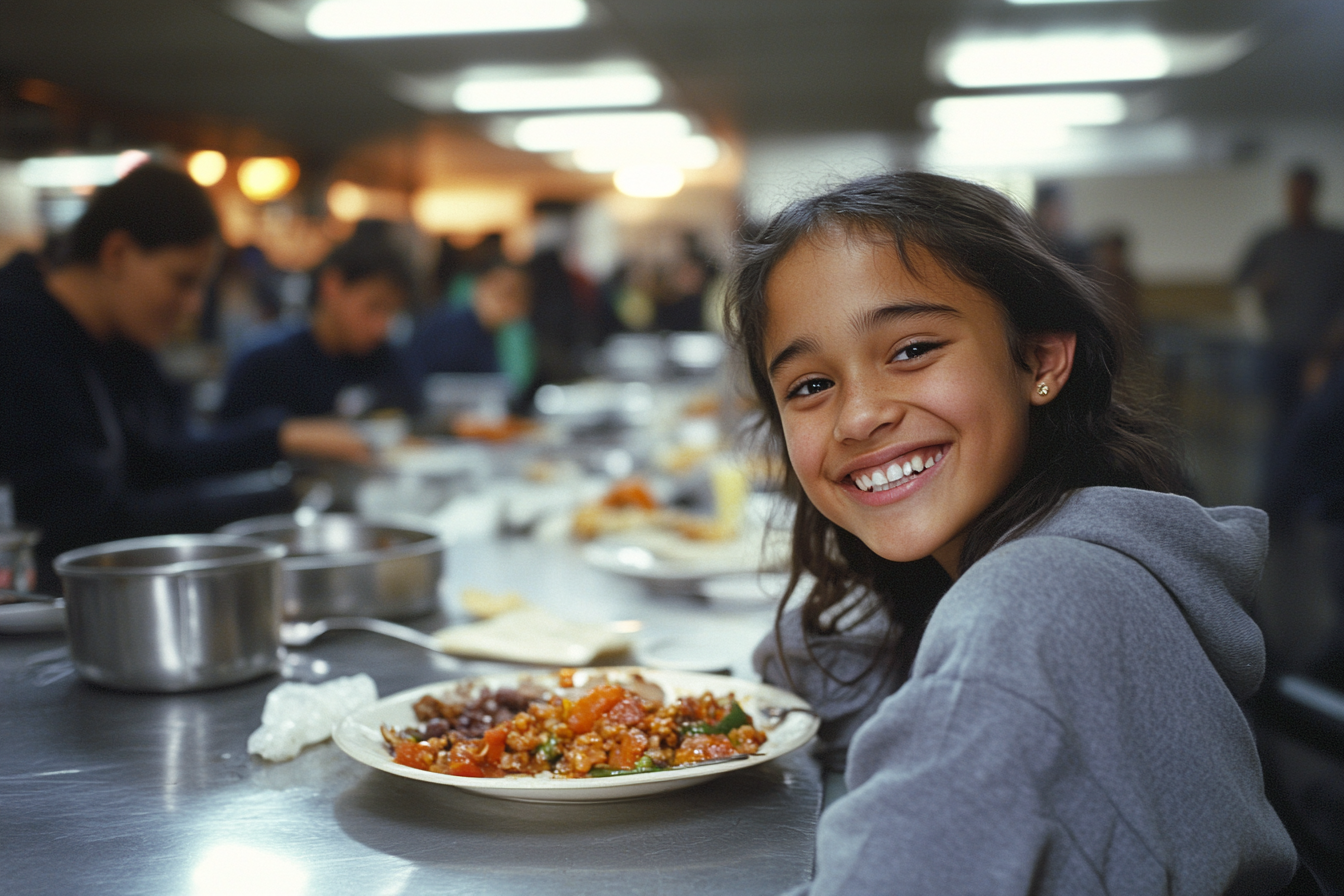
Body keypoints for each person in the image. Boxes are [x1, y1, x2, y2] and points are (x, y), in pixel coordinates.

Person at [725, 172, 1298, 893]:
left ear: (1039, 360)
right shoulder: (1068, 550)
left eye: (911, 350)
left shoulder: (1033, 606)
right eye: (810, 386)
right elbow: (831, 684)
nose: (858, 416)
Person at [0, 163, 371, 590]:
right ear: (117, 253)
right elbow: (85, 525)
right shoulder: (18, 336)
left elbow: (163, 458)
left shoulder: (119, 341)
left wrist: (284, 441)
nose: (194, 304)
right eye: (182, 280)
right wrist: (282, 499)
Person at [217, 233, 421, 421]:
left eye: (392, 313)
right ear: (332, 286)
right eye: (374, 306)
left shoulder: (389, 362)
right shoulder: (265, 365)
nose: (381, 327)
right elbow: (229, 447)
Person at [1236, 165, 1344, 447]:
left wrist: (1326, 354)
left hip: (1322, 351)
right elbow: (1241, 280)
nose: (1297, 199)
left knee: (1321, 430)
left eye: (1303, 193)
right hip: (1277, 348)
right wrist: (1260, 285)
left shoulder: (1334, 243)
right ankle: (1277, 489)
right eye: (1292, 192)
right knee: (1278, 429)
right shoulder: (1271, 240)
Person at [408, 260, 535, 395]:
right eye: (506, 292)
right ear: (480, 285)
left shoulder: (508, 335)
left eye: (521, 295)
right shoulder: (449, 327)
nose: (512, 303)